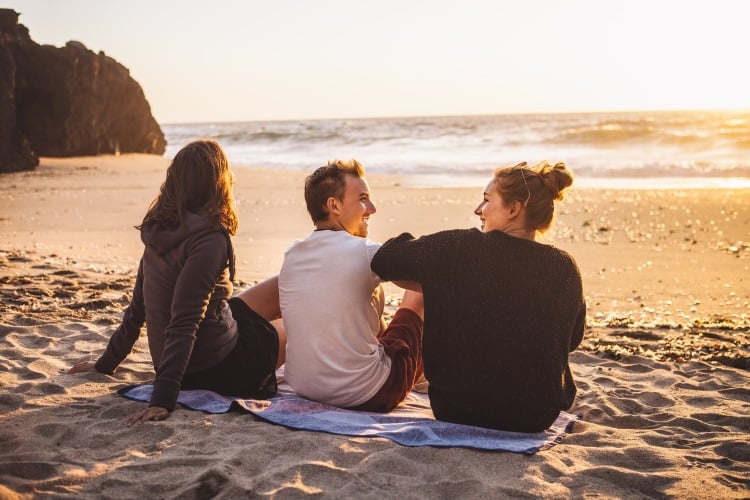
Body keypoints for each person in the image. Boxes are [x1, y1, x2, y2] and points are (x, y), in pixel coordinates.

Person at [69, 139, 285, 425]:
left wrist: (105, 365)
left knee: (286, 284)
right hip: (215, 367)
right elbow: (184, 320)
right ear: (218, 184)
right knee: (301, 318)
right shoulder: (210, 239)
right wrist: (162, 400)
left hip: (205, 345)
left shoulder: (159, 231)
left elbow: (137, 310)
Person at [371, 161, 586, 432]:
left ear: (513, 209)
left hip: (455, 408)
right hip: (534, 416)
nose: (477, 210)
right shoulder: (564, 267)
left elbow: (385, 260)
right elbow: (573, 339)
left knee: (434, 280)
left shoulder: (458, 247)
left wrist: (431, 262)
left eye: (486, 200)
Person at [278, 159, 425, 412]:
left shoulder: (292, 253)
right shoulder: (364, 252)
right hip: (369, 393)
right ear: (333, 205)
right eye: (363, 199)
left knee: (366, 292)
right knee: (418, 291)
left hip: (304, 387)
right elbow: (427, 278)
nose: (373, 208)